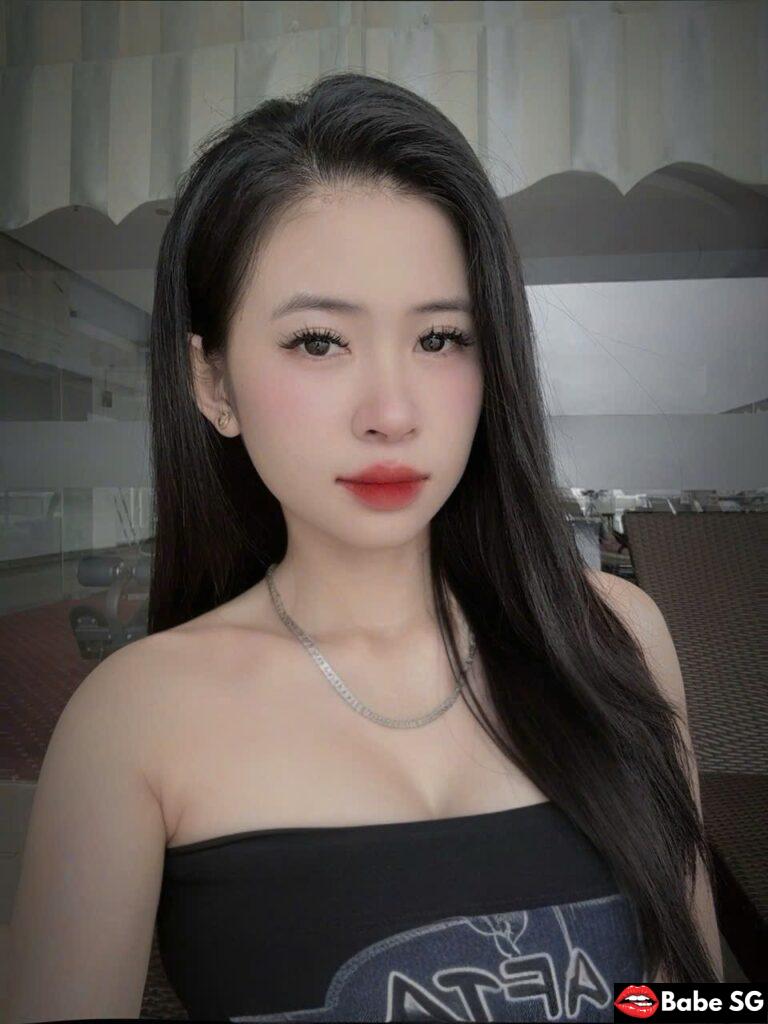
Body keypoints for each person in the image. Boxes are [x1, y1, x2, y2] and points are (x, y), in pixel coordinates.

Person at [7, 71, 722, 1023]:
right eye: (318, 342)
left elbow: (700, 995)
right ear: (212, 382)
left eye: (440, 338)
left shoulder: (614, 637)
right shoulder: (135, 720)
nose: (392, 412)